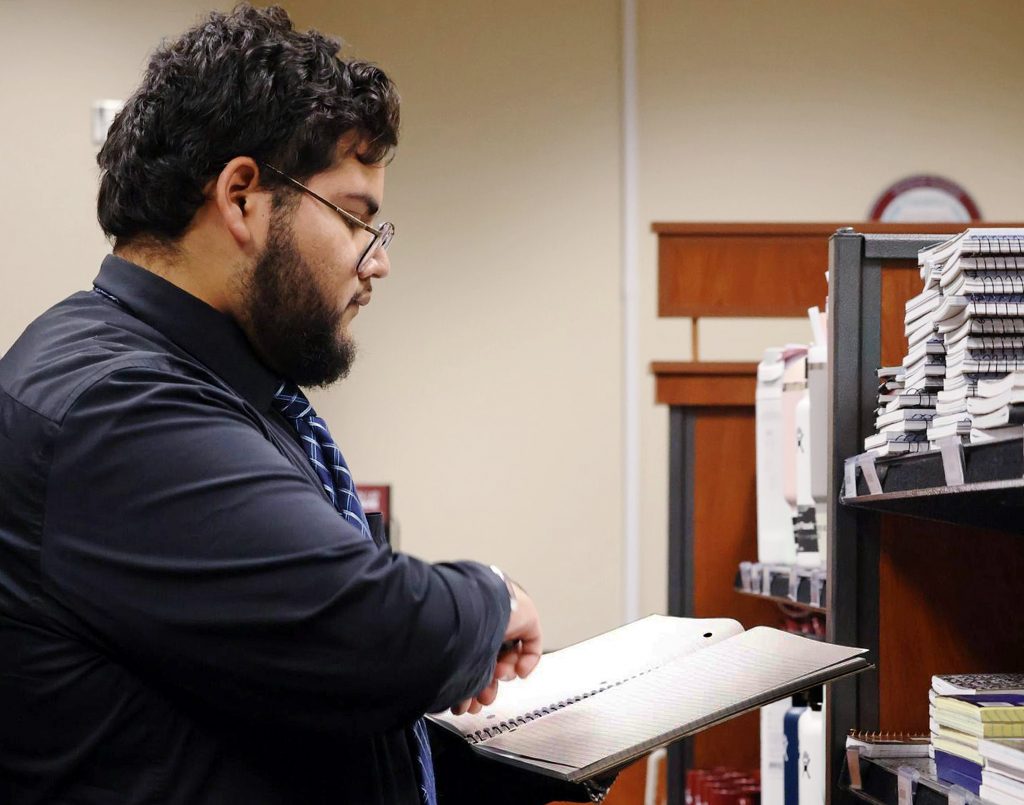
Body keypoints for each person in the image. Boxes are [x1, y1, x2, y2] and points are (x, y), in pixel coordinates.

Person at [0, 6, 601, 804]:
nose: (376, 261)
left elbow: (283, 704)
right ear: (242, 197)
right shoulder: (111, 404)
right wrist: (492, 598)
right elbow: (363, 627)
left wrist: (542, 762)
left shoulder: (226, 390)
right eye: (355, 216)